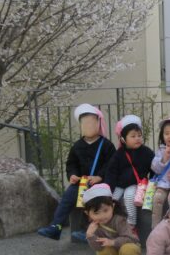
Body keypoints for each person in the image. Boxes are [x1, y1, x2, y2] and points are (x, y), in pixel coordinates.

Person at [37, 104, 115, 242]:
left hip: (100, 184)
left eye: (92, 122)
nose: (88, 126)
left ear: (99, 123)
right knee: (67, 197)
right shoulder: (77, 145)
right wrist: (72, 175)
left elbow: (111, 165)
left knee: (94, 201)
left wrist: (99, 177)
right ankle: (56, 226)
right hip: (81, 182)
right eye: (84, 123)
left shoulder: (106, 145)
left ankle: (87, 231)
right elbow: (71, 163)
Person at [82, 183, 141, 255]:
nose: (102, 216)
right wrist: (90, 235)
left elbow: (131, 238)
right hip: (112, 254)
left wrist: (112, 242)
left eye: (105, 210)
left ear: (112, 206)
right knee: (102, 250)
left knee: (129, 249)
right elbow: (97, 248)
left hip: (126, 251)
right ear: (88, 213)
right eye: (96, 213)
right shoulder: (93, 226)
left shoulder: (119, 220)